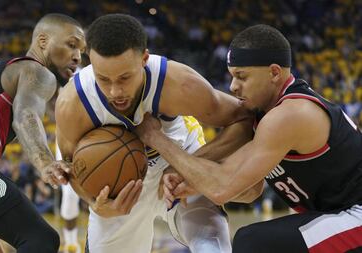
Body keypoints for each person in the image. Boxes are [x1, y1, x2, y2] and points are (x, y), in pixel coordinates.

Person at [135, 24, 362, 253]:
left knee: (253, 243)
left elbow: (222, 186)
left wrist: (156, 138)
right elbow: (248, 191)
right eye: (232, 76)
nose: (233, 86)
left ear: (274, 72)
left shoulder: (290, 114)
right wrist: (191, 180)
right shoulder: (263, 115)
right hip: (336, 214)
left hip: (356, 214)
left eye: (242, 77)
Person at [56, 14, 251, 253]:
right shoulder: (72, 104)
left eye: (124, 78)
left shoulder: (179, 83)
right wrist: (94, 203)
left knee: (211, 247)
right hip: (122, 187)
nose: (115, 91)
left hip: (181, 155)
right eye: (103, 79)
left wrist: (190, 164)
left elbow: (243, 119)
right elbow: (71, 166)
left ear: (144, 59)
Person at [0, 13, 86, 253]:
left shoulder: (7, 71)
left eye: (82, 50)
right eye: (71, 45)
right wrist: (45, 163)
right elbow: (25, 117)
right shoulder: (37, 72)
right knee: (41, 239)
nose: (77, 56)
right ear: (43, 41)